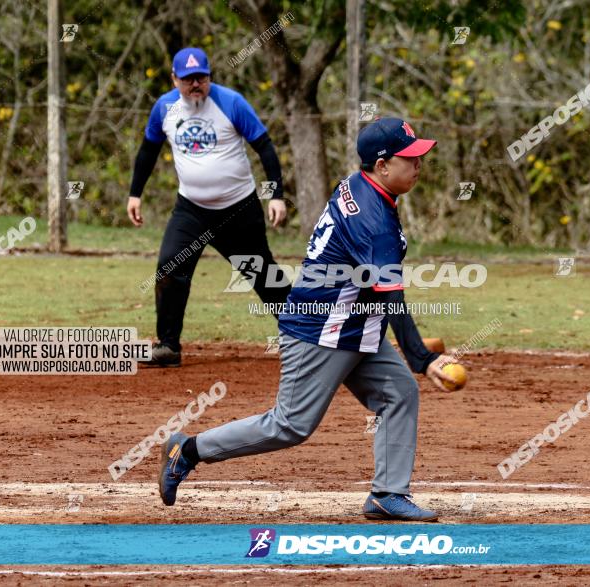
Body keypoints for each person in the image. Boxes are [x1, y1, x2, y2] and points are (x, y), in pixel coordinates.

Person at [158, 118, 460, 521]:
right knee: (290, 425)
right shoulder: (373, 219)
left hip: (354, 323)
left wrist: (414, 354)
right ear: (383, 165)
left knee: (399, 393)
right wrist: (422, 358)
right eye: (410, 158)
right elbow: (391, 295)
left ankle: (388, 494)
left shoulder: (361, 184)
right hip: (321, 330)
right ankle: (188, 449)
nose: (419, 164)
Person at [127, 47, 290, 366]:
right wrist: (135, 194)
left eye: (201, 77)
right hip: (191, 209)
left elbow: (265, 148)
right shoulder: (164, 108)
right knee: (170, 266)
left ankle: (303, 334)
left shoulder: (231, 102)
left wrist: (277, 195)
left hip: (238, 208)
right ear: (174, 79)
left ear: (210, 76)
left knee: (261, 272)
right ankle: (169, 347)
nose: (195, 84)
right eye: (187, 79)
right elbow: (147, 151)